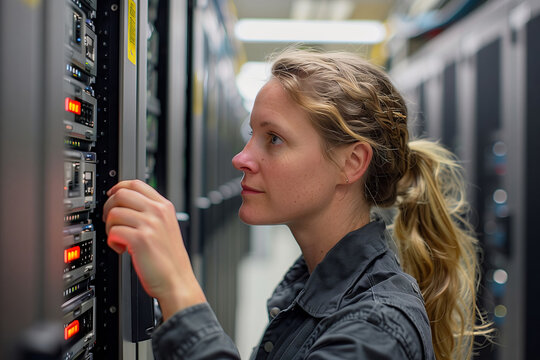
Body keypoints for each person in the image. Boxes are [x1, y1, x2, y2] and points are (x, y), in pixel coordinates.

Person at [103, 49, 491, 360]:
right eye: (251, 134)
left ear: (351, 163)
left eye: (273, 139)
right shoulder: (311, 284)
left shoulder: (376, 330)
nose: (241, 158)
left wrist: (178, 287)